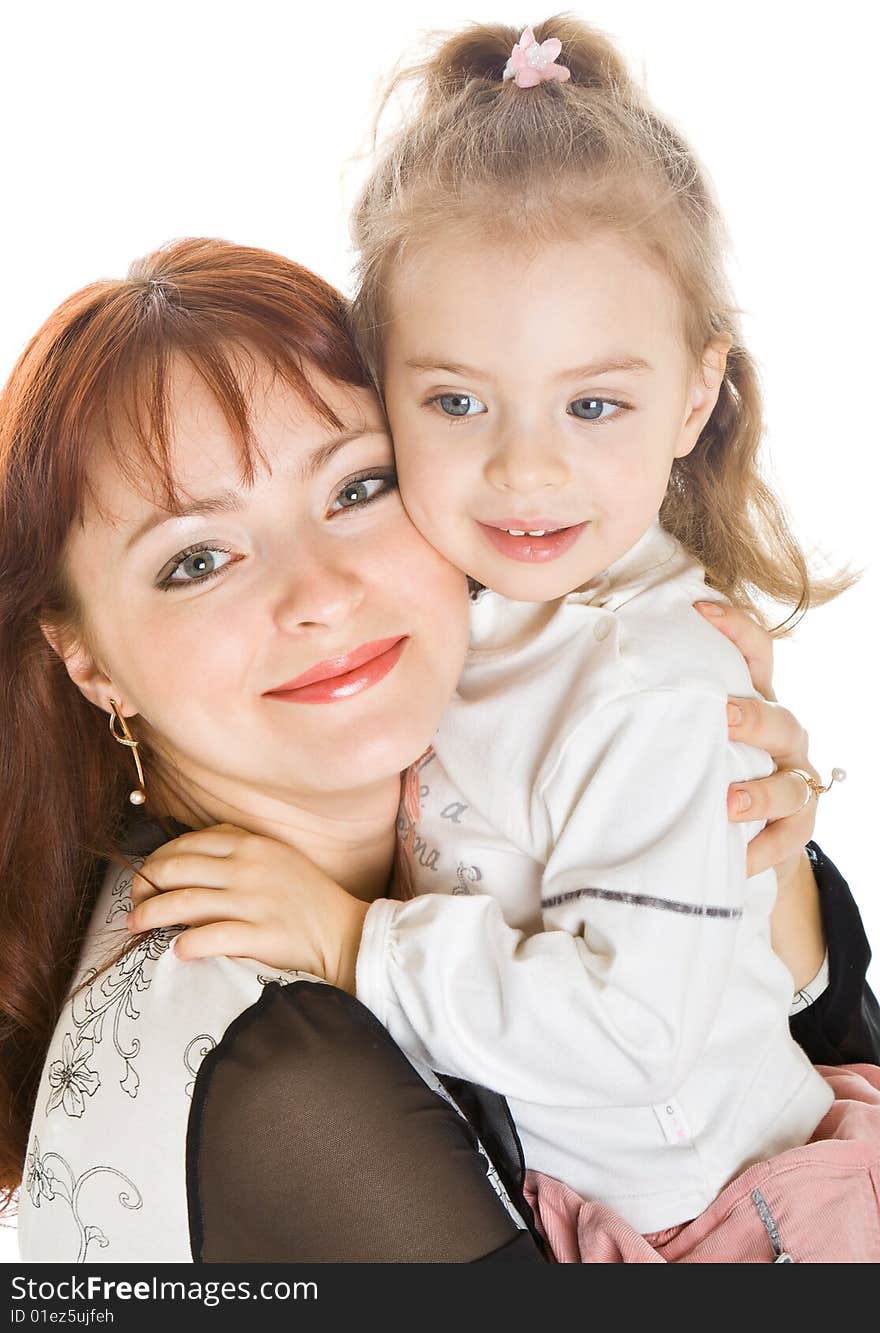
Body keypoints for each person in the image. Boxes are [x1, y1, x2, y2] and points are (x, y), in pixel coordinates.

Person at [130, 21, 880, 1261]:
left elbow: (633, 1031)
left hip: (732, 1226)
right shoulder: (465, 610)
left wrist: (345, 940)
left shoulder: (655, 680)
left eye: (593, 404)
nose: (524, 467)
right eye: (458, 401)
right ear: (381, 387)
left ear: (694, 396)